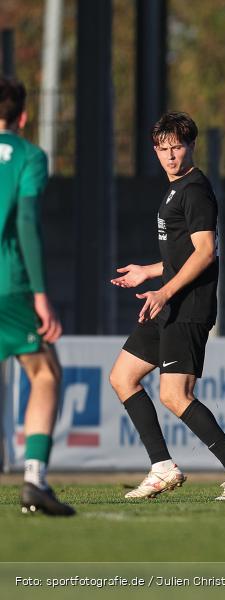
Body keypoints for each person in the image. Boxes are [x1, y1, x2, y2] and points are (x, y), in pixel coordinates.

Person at [108, 112, 225, 501]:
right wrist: (149, 272)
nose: (170, 156)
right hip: (168, 302)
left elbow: (206, 252)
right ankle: (162, 466)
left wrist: (164, 291)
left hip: (187, 304)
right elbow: (184, 254)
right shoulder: (175, 188)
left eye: (177, 147)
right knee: (123, 377)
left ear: (190, 146)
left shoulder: (195, 189)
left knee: (175, 395)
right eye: (163, 149)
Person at [0, 77, 74, 516]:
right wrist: (41, 296)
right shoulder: (30, 156)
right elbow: (26, 222)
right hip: (10, 284)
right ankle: (34, 480)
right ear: (23, 117)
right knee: (45, 373)